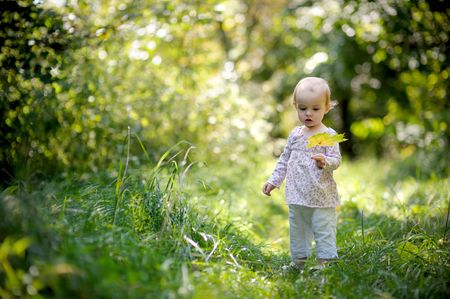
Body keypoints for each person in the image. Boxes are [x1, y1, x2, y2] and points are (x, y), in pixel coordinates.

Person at [262, 77, 341, 271]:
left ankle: (326, 263)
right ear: (295, 106)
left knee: (324, 229)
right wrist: (274, 180)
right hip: (297, 195)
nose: (308, 113)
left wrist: (326, 161)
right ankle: (298, 262)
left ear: (326, 108)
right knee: (298, 230)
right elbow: (284, 160)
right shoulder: (296, 135)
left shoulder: (328, 135)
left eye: (315, 109)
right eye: (303, 108)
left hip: (322, 196)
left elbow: (336, 160)